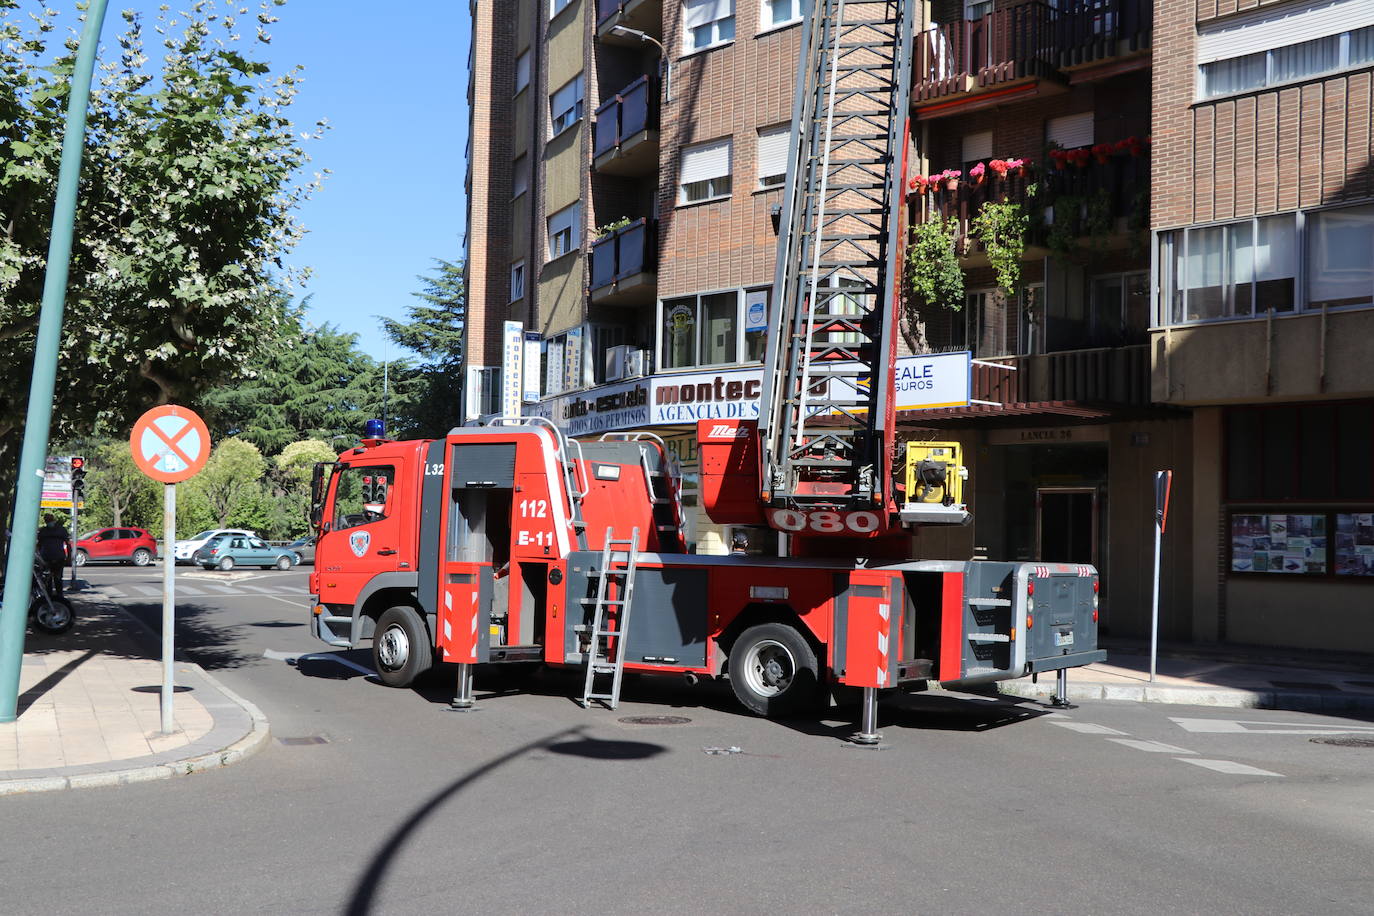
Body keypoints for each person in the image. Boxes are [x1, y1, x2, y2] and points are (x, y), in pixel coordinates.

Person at [36, 513, 69, 598]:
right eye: (47, 521)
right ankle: (50, 598)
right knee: (48, 580)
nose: (49, 522)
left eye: (50, 520)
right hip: (46, 559)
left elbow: (68, 544)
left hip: (58, 558)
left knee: (57, 579)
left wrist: (68, 557)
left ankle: (59, 597)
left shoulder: (61, 530)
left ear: (53, 520)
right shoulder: (43, 531)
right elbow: (39, 545)